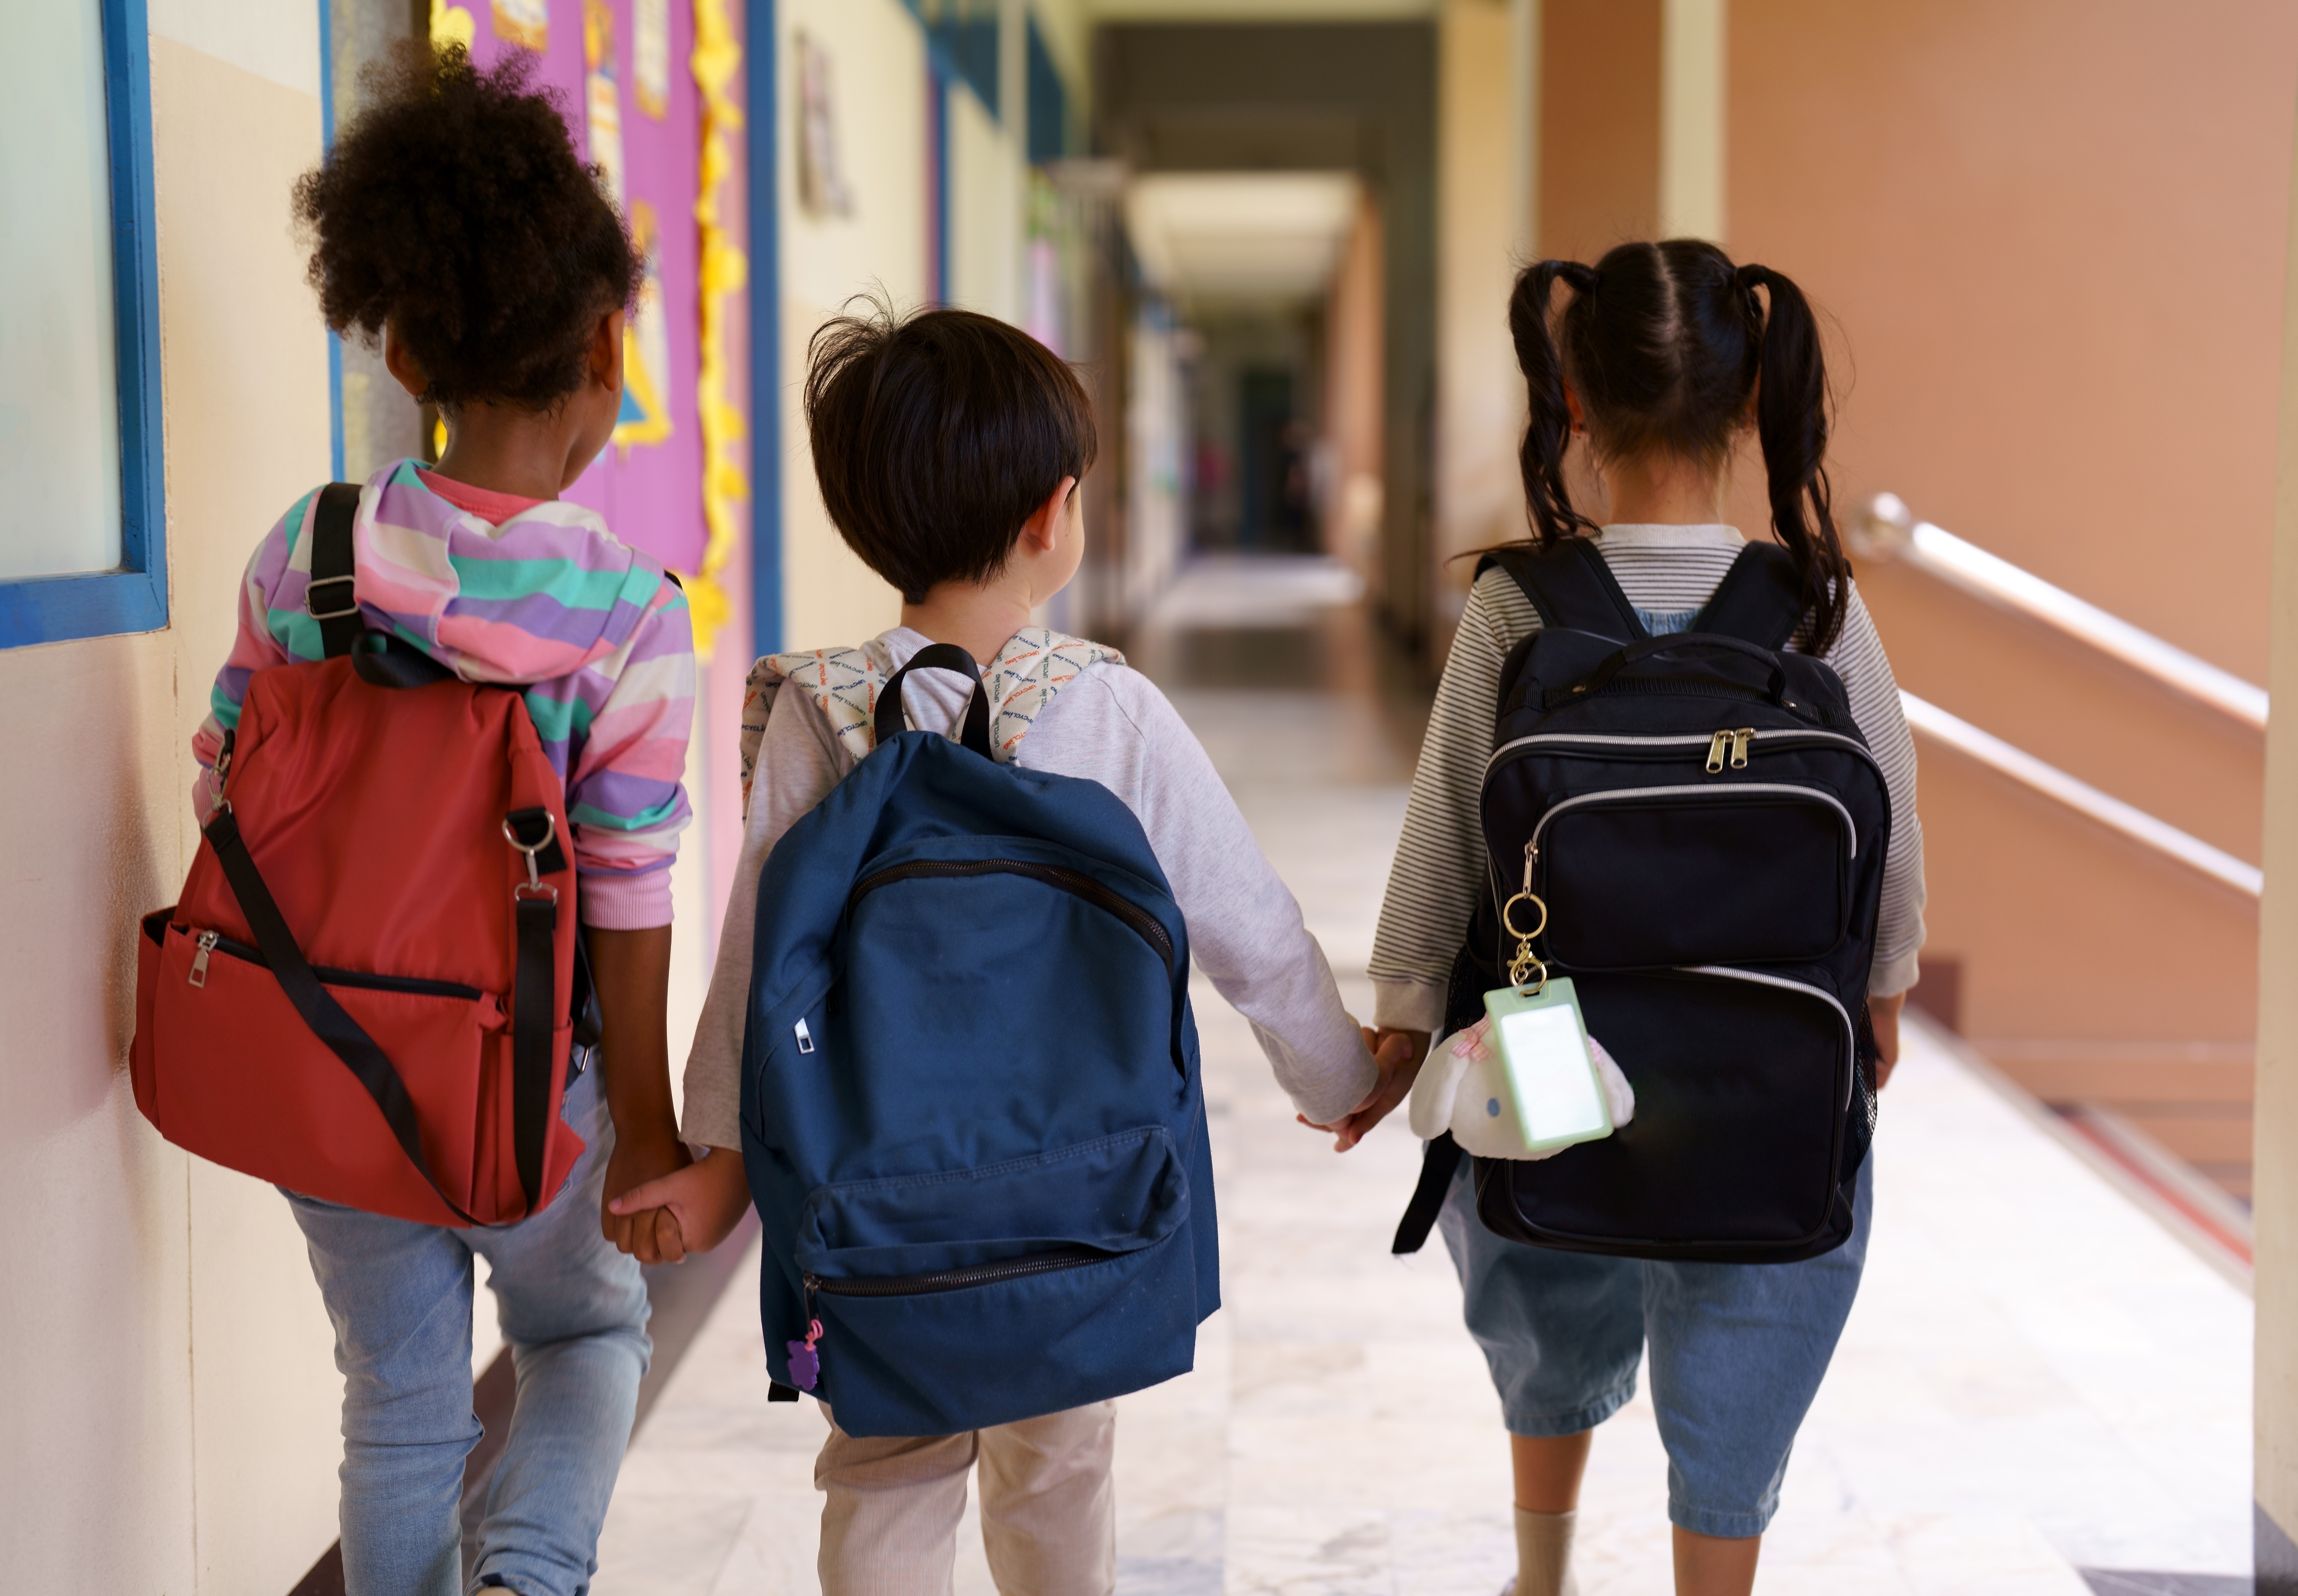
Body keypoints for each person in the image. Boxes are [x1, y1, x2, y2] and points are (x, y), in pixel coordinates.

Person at [612, 301, 1406, 1595]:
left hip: (869, 1204)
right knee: (1058, 1467)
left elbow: (758, 962)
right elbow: (1244, 923)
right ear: (1053, 517)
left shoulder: (808, 710)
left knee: (883, 1467)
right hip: (1075, 1199)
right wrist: (1337, 1073)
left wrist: (719, 1161)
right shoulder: (1108, 706)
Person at [193, 45, 706, 1595]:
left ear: (404, 346)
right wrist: (652, 1135)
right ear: (609, 350)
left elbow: (228, 785)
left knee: (398, 1405)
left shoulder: (313, 553)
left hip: (330, 1062)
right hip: (529, 1091)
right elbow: (624, 890)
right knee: (584, 1330)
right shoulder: (623, 613)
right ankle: (527, 1580)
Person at [1341, 240, 1927, 1596]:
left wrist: (1402, 1015)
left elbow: (1443, 829)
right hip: (1770, 1055)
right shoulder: (1813, 603)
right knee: (1747, 1308)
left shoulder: (1515, 604)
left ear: (1574, 403)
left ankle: (1539, 1576)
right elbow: (1887, 823)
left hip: (1550, 1039)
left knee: (1542, 1276)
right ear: (1743, 408)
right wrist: (1877, 995)